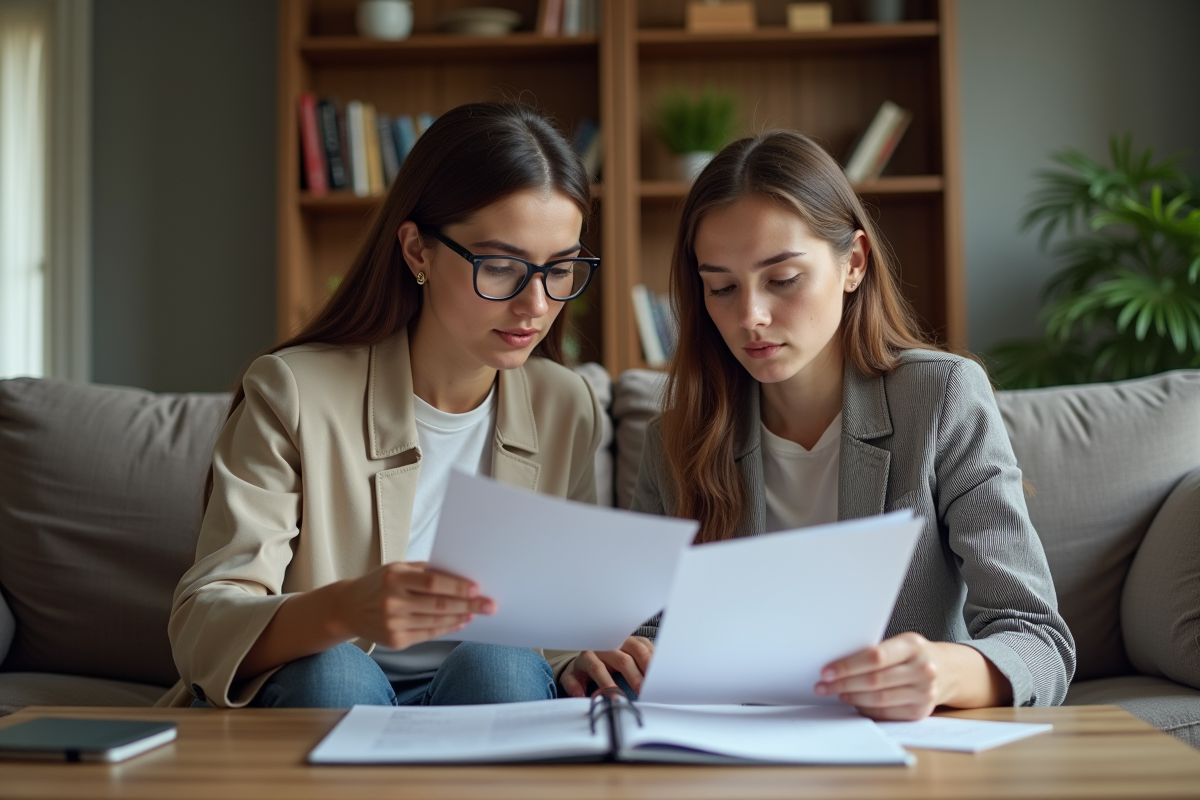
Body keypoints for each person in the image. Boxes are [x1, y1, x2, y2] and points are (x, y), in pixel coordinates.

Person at [160, 103, 648, 709]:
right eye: (501, 267)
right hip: (328, 690)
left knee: (500, 664)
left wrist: (584, 652)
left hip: (479, 693)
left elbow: (558, 616)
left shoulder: (564, 405)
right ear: (418, 250)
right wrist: (345, 608)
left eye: (560, 268)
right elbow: (204, 623)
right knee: (334, 673)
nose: (537, 305)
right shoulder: (294, 392)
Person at [615, 130, 1075, 720]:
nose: (750, 316)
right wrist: (623, 658)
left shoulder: (941, 399)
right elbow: (647, 634)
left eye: (783, 279)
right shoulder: (676, 439)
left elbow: (1038, 640)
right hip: (734, 746)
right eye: (721, 288)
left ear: (853, 262)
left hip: (905, 749)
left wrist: (940, 674)